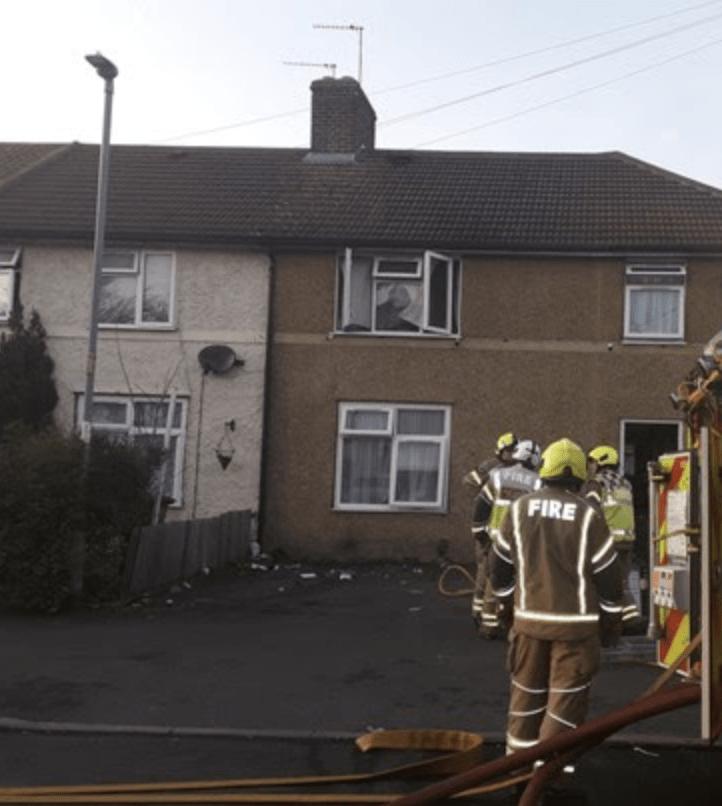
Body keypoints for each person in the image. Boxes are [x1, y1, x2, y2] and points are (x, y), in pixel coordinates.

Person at [490, 438, 623, 761]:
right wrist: (611, 627)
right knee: (564, 707)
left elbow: (500, 570)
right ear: (579, 475)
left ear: (545, 471)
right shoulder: (589, 515)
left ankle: (517, 772)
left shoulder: (520, 509)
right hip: (575, 633)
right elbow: (609, 581)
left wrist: (506, 610)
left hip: (528, 625)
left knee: (525, 700)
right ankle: (547, 777)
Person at [476, 438, 541, 639]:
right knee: (520, 584)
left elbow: (482, 506)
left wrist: (480, 534)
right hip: (522, 542)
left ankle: (489, 625)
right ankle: (514, 627)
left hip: (496, 539)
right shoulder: (538, 482)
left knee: (492, 581)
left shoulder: (497, 476)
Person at [583, 445, 643, 632]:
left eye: (592, 462)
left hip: (607, 540)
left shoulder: (596, 483)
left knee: (602, 580)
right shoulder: (625, 483)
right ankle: (629, 616)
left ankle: (619, 621)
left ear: (601, 462)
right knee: (620, 580)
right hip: (627, 540)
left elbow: (589, 509)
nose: (590, 467)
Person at [463, 432, 518, 632]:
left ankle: (495, 615)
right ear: (500, 451)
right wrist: (484, 483)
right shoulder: (491, 466)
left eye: (514, 450)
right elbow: (469, 480)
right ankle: (479, 613)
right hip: (488, 529)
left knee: (502, 577)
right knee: (485, 575)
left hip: (506, 532)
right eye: (508, 451)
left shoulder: (517, 471)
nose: (511, 454)